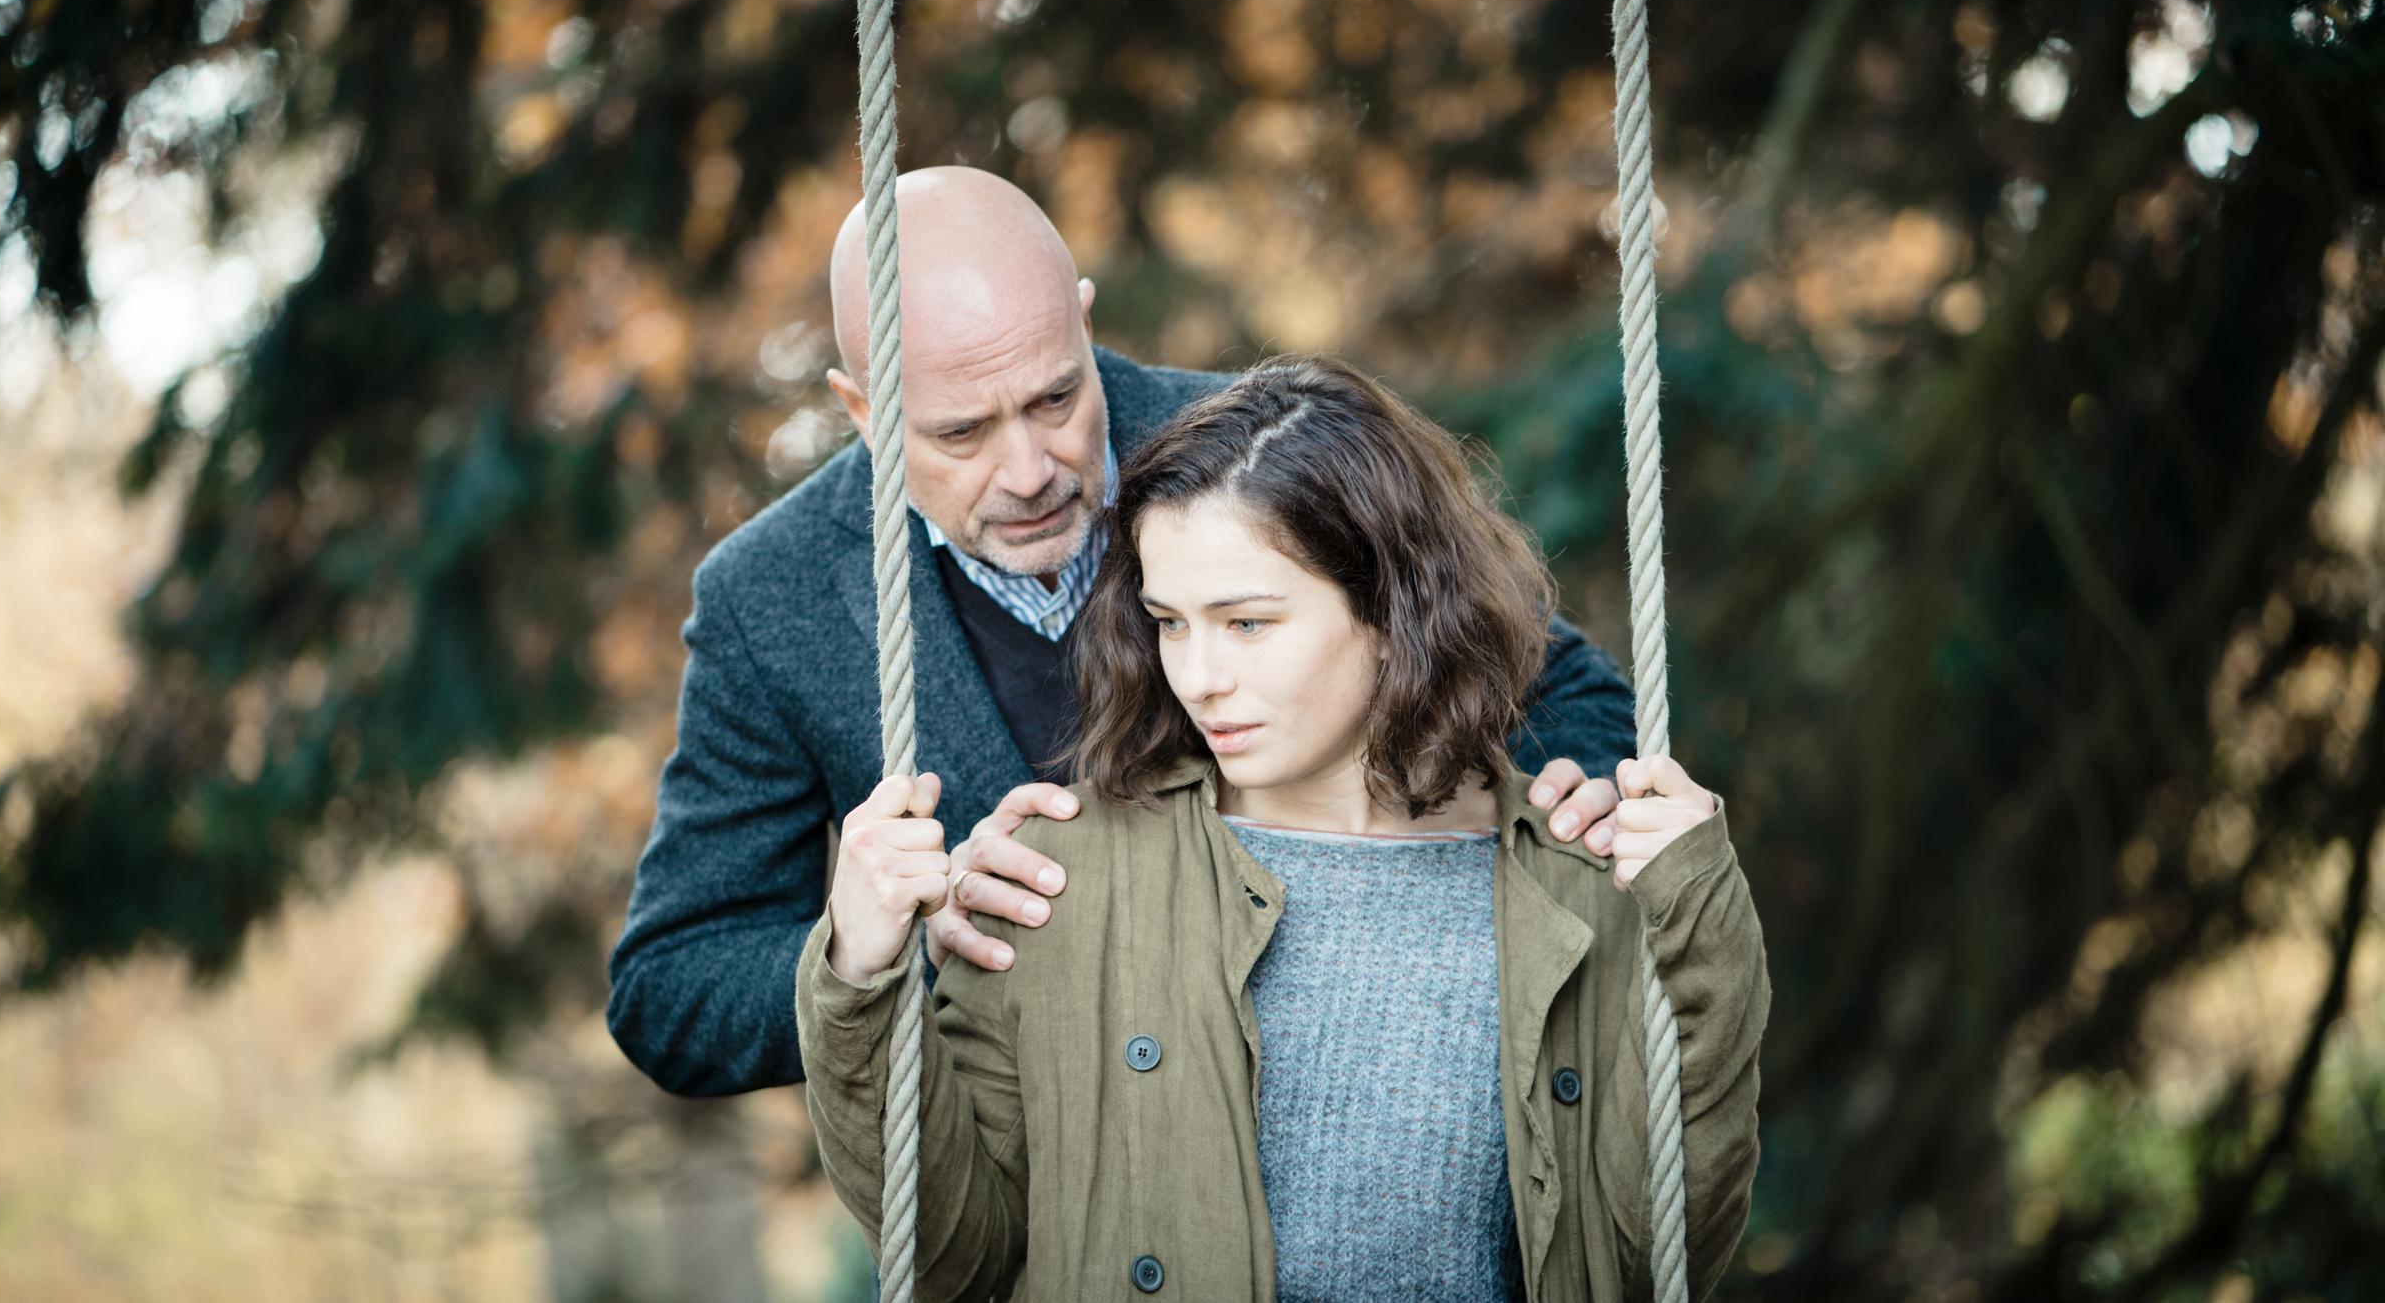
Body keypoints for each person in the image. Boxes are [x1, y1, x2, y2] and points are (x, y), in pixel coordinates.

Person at [607, 167, 1642, 1097]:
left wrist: (1577, 795)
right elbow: (668, 993)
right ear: (863, 409)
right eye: (960, 432)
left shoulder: (1265, 452)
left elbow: (1571, 696)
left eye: (1057, 395)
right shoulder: (766, 598)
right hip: (1026, 1224)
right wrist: (884, 945)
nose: (1027, 470)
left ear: (1083, 320)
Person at [799, 357, 1769, 1301]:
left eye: (1248, 623)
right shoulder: (1056, 878)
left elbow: (1654, 1259)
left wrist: (1703, 918)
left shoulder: (1577, 884)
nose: (1200, 675)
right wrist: (858, 974)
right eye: (1170, 622)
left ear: (1395, 603)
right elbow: (953, 1265)